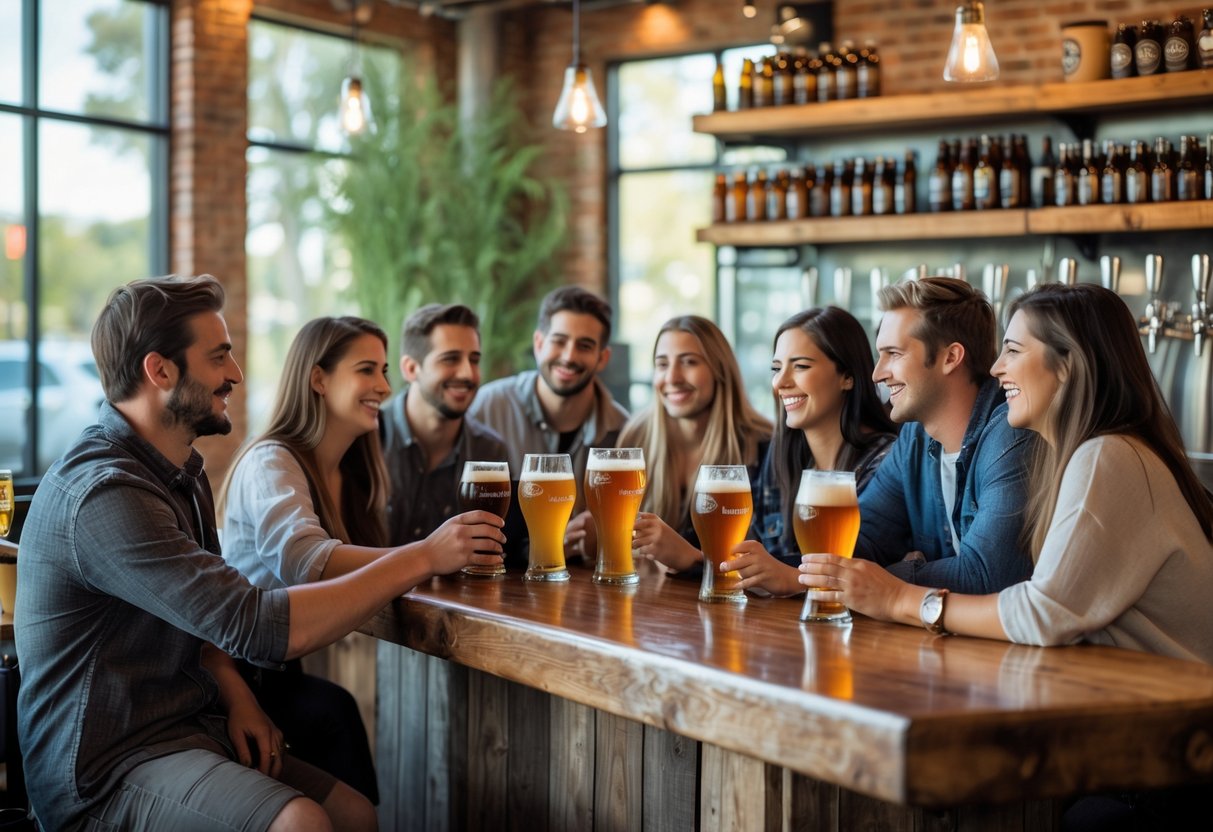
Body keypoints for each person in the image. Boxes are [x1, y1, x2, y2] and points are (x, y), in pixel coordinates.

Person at [16, 276, 505, 832]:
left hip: (190, 727)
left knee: (353, 814)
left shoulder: (181, 472)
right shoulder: (107, 494)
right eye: (220, 356)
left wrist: (238, 696)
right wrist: (422, 556)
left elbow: (206, 615)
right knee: (300, 823)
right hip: (103, 773)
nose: (237, 374)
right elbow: (257, 624)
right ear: (161, 371)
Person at [800, 284, 1213, 827]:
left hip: (1175, 761)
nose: (995, 369)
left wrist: (903, 599)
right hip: (1138, 740)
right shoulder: (1084, 456)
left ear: (1069, 365)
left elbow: (1041, 611)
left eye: (1014, 352)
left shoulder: (1108, 457)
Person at [853, 276, 1036, 593]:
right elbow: (863, 541)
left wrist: (896, 574)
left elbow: (986, 576)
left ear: (951, 357)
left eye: (893, 354)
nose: (877, 373)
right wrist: (783, 569)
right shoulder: (914, 437)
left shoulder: (1011, 434)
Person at [722, 306, 898, 597]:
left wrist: (696, 559)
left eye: (800, 366)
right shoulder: (780, 456)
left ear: (848, 377)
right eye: (777, 369)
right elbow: (757, 557)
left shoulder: (886, 462)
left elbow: (853, 564)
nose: (780, 382)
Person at [572, 315, 771, 572]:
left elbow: (769, 567)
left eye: (689, 362)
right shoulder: (636, 436)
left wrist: (690, 557)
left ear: (720, 369)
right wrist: (592, 540)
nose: (673, 377)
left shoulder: (763, 445)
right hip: (652, 605)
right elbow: (625, 545)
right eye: (662, 364)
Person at [469, 285, 628, 563]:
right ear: (539, 343)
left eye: (585, 345)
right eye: (559, 340)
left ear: (602, 358)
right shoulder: (486, 407)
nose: (569, 356)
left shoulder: (623, 430)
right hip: (497, 578)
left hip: (581, 590)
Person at [379, 303, 507, 544]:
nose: (468, 374)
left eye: (474, 360)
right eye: (450, 359)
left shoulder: (490, 452)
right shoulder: (369, 438)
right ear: (410, 368)